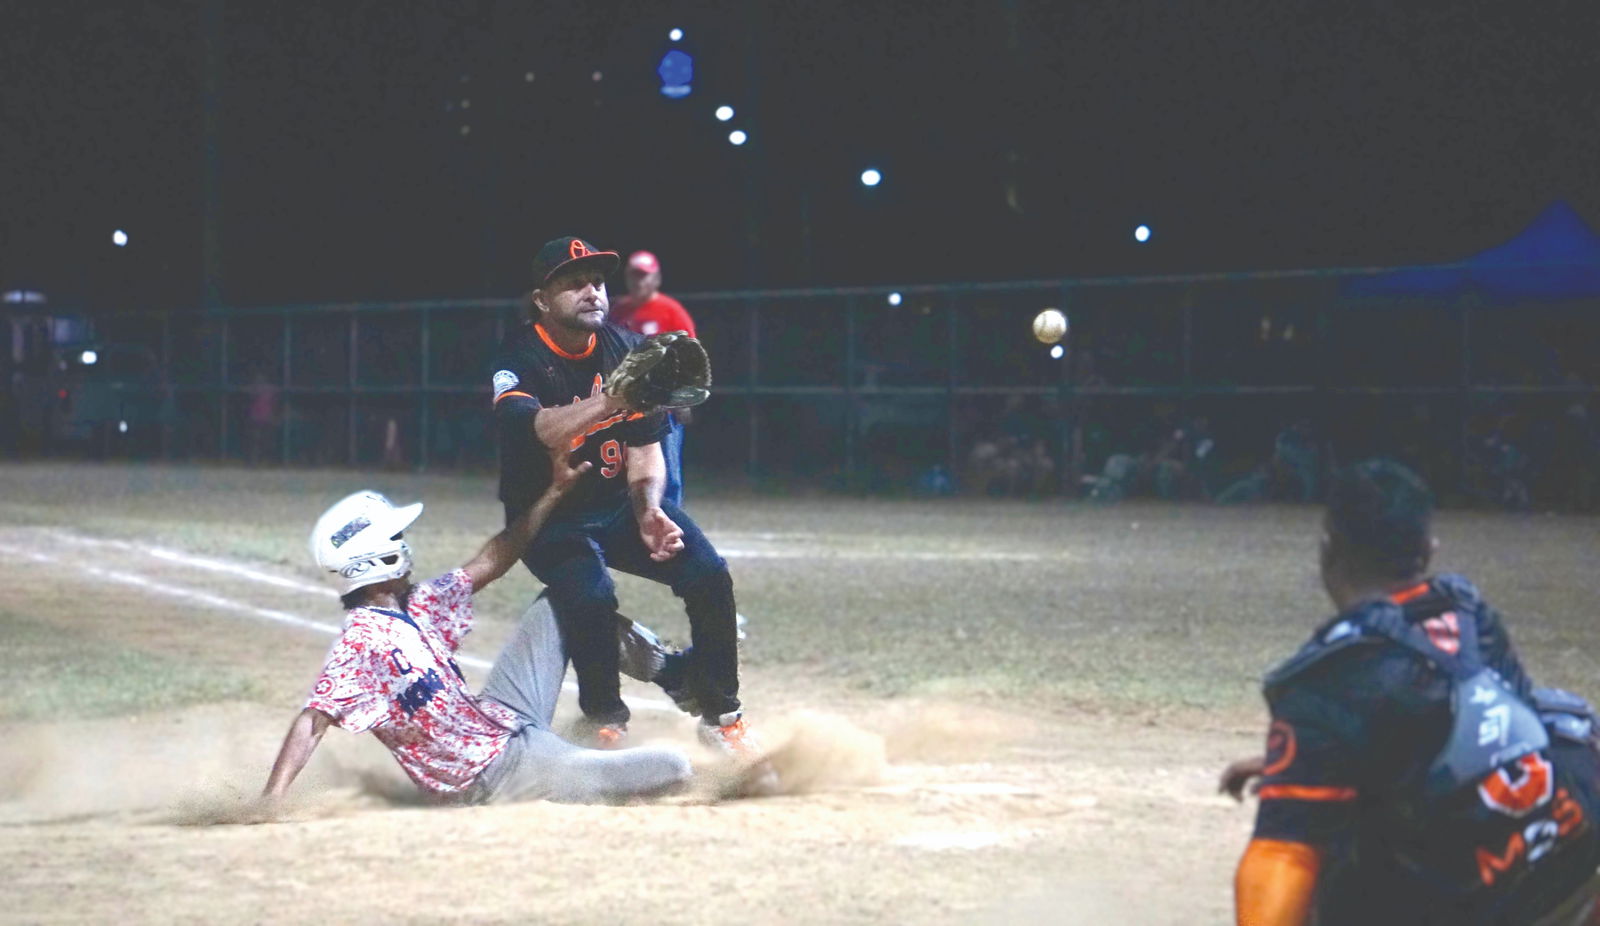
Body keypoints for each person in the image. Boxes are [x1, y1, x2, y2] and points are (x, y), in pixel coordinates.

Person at [1221, 459, 1600, 925]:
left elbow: (1283, 855)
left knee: (1334, 861)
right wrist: (1300, 766)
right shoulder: (1468, 612)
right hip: (1570, 861)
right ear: (1428, 549)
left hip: (1485, 904)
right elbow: (1487, 725)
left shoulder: (1330, 677)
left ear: (1327, 549)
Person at [263, 445, 694, 806]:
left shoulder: (417, 603)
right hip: (497, 776)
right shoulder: (361, 643)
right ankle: (579, 766)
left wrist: (554, 492)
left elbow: (492, 559)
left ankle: (671, 671)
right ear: (377, 559)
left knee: (572, 594)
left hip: (503, 715)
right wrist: (270, 802)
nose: (404, 545)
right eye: (395, 540)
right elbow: (312, 720)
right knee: (674, 768)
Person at [489, 236, 759, 759]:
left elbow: (646, 448)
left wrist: (649, 508)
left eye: (597, 282)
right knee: (590, 596)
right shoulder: (518, 356)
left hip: (617, 505)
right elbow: (542, 429)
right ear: (542, 299)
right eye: (574, 284)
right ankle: (605, 723)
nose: (592, 292)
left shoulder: (627, 350)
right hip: (548, 517)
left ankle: (722, 714)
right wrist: (615, 399)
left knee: (707, 573)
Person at [609, 250, 697, 507]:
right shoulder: (618, 310)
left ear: (656, 278)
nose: (639, 282)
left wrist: (684, 396)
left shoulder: (670, 311)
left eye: (645, 276)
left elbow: (690, 355)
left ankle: (669, 527)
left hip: (661, 406)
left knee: (666, 473)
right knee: (622, 472)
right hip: (624, 407)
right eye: (634, 276)